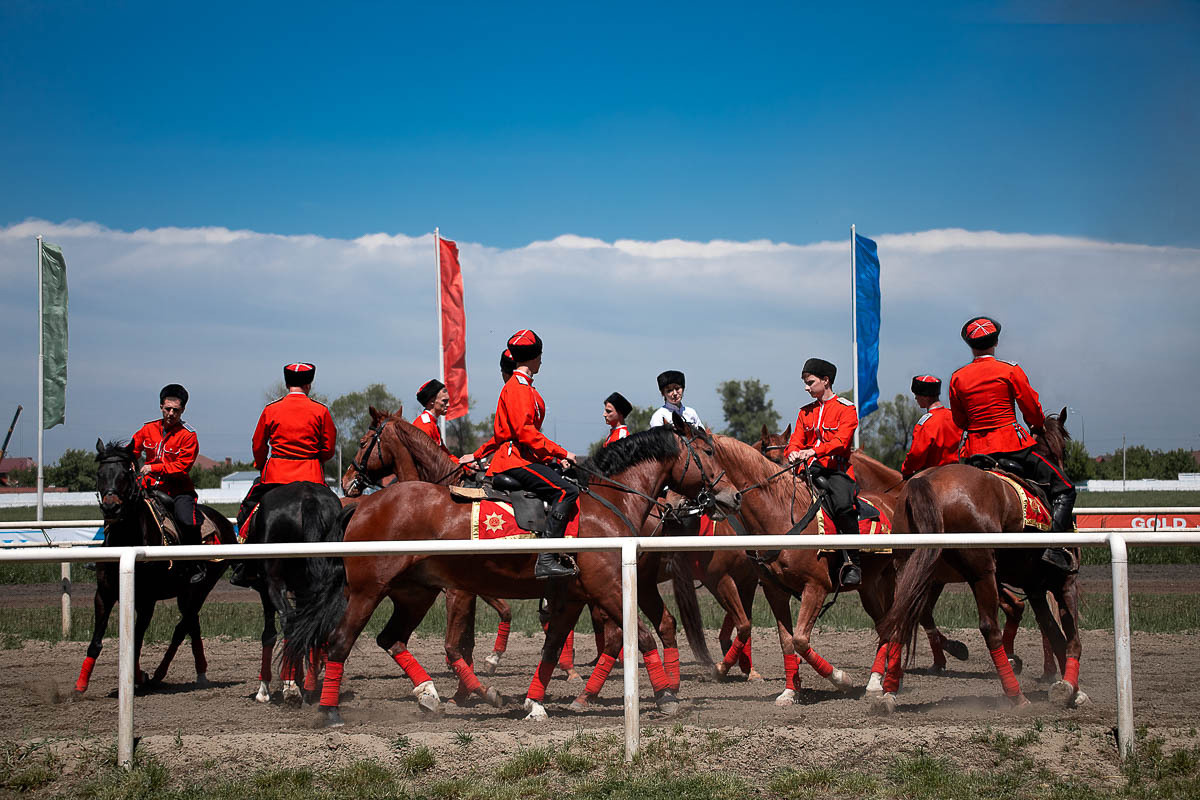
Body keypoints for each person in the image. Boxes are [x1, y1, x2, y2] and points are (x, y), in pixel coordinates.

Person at [949, 316, 1076, 572]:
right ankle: (1055, 548)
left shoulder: (958, 378)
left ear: (970, 346)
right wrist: (1037, 425)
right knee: (1065, 489)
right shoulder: (1009, 370)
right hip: (1013, 448)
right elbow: (1031, 410)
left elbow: (960, 420)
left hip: (974, 453)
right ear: (996, 341)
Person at [458, 331, 579, 579]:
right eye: (541, 356)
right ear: (535, 358)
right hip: (516, 460)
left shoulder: (522, 387)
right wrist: (561, 451)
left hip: (520, 456)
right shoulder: (519, 389)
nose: (542, 361)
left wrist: (554, 458)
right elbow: (525, 434)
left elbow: (512, 435)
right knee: (568, 491)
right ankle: (546, 558)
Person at [231, 362, 338, 586]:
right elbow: (328, 448)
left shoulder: (271, 409)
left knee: (248, 510)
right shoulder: (321, 410)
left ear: (287, 383)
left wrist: (262, 465)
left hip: (276, 477)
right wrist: (315, 459)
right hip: (312, 475)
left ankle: (245, 567)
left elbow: (258, 444)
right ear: (309, 384)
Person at [784, 358, 862, 588]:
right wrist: (791, 453)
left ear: (825, 381)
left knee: (843, 505)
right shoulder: (804, 413)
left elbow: (841, 442)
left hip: (835, 472)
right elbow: (794, 441)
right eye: (806, 383)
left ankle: (852, 563)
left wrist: (813, 451)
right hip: (804, 471)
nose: (806, 388)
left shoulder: (846, 409)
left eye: (810, 382)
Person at [131, 383, 204, 582]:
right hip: (146, 488)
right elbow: (132, 451)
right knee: (119, 510)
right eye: (167, 409)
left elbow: (182, 467)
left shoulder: (188, 435)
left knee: (187, 520)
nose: (171, 413)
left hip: (177, 490)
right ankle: (106, 556)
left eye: (176, 410)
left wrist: (153, 468)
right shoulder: (147, 429)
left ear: (183, 410)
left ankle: (195, 563)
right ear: (161, 406)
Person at [899, 375, 963, 479]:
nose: (915, 398)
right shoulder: (954, 416)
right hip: (957, 474)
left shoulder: (926, 423)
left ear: (925, 396)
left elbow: (916, 454)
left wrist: (907, 471)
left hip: (934, 477)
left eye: (917, 395)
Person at [412, 379, 456, 459]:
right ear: (432, 401)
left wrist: (467, 466)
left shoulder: (432, 423)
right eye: (444, 401)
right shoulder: (424, 425)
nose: (448, 404)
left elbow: (446, 456)